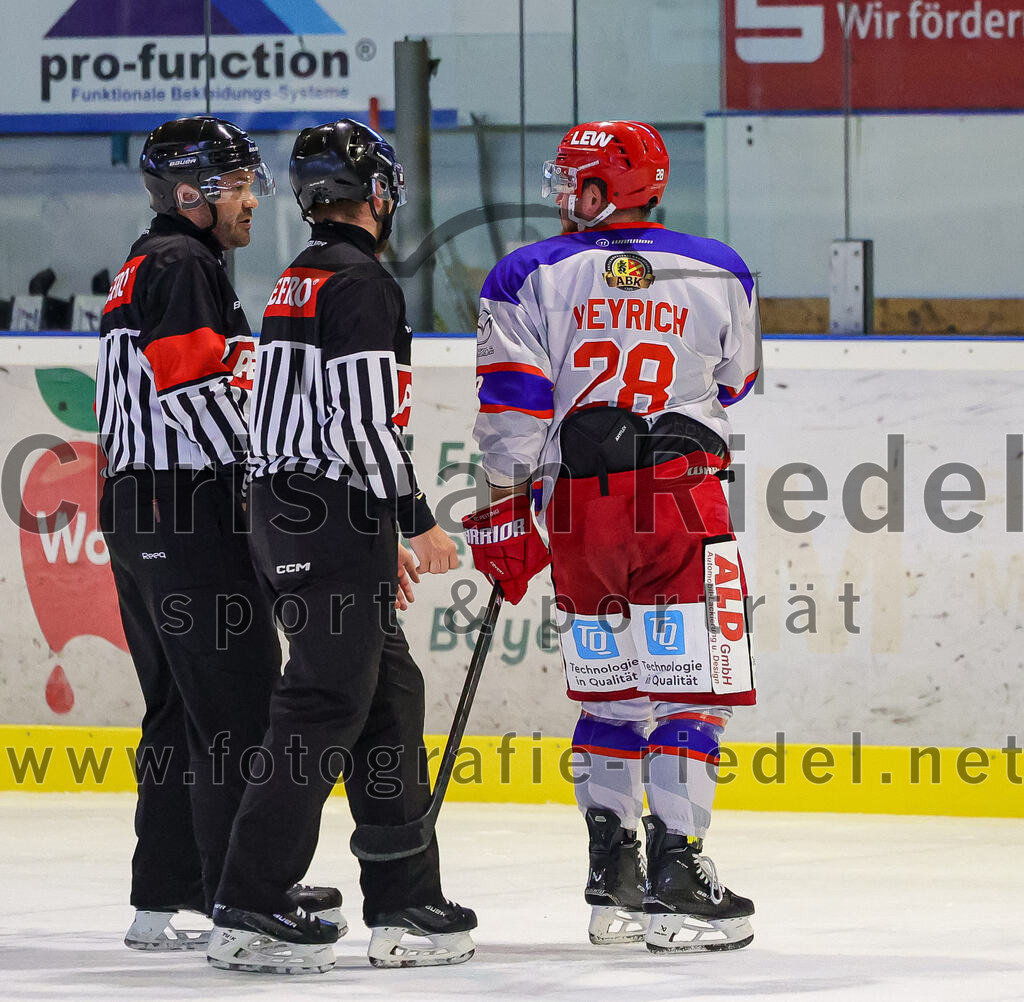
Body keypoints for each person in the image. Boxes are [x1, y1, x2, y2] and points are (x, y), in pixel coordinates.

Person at [462, 120, 758, 953]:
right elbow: (735, 383)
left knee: (610, 694)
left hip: (578, 512)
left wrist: (499, 514)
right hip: (679, 503)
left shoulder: (525, 273)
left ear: (605, 188)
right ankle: (679, 871)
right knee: (690, 692)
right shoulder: (719, 268)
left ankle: (613, 876)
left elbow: (511, 415)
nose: (564, 195)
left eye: (574, 180)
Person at [206, 118, 477, 975]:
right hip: (325, 511)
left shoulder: (299, 277)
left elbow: (301, 415)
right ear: (382, 194)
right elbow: (362, 421)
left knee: (390, 698)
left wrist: (365, 529)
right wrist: (414, 518)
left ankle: (403, 902)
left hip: (305, 509)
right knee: (323, 704)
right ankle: (249, 900)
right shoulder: (361, 282)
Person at [97, 116, 342, 952]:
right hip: (183, 507)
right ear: (194, 193)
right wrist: (277, 468)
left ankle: (164, 896)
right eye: (238, 184)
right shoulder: (180, 263)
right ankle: (243, 891)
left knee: (182, 710)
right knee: (236, 702)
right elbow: (197, 394)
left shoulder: (153, 258)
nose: (252, 199)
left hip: (143, 510)